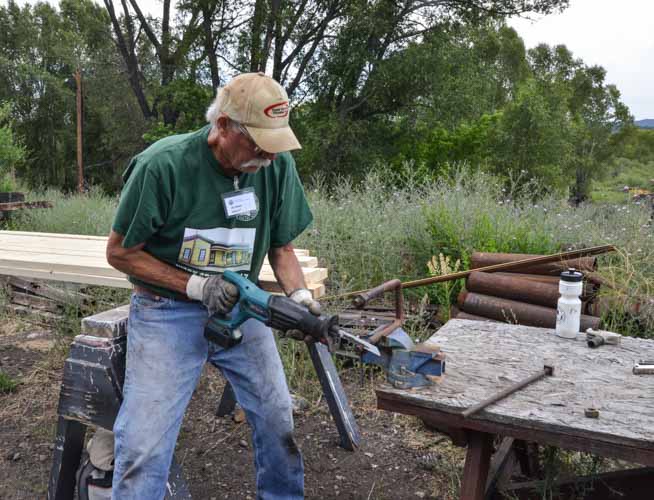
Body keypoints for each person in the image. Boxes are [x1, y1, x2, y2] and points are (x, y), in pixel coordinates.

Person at [106, 72, 319, 500]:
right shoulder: (163, 165)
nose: (268, 156)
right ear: (222, 126)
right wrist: (196, 288)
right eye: (258, 143)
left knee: (279, 417)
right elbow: (120, 253)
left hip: (243, 306)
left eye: (274, 146)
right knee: (143, 443)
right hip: (166, 310)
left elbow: (282, 248)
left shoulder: (274, 167)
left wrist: (299, 297)